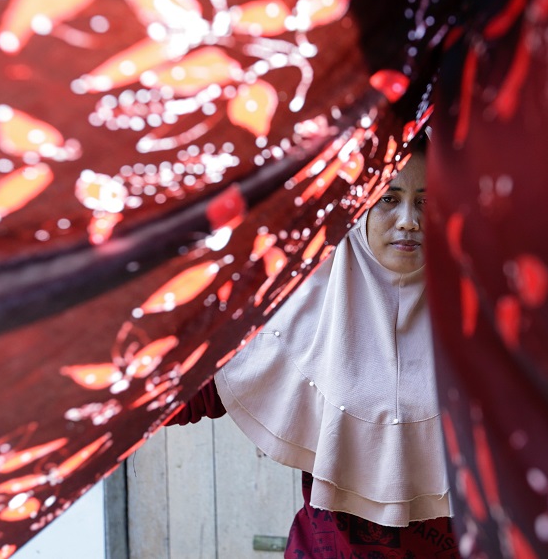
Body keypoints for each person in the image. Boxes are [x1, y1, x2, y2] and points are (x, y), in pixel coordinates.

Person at [169, 144, 459, 558]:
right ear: (358, 205)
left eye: (425, 202)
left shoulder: (478, 316)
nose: (409, 221)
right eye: (388, 199)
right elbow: (194, 390)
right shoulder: (298, 307)